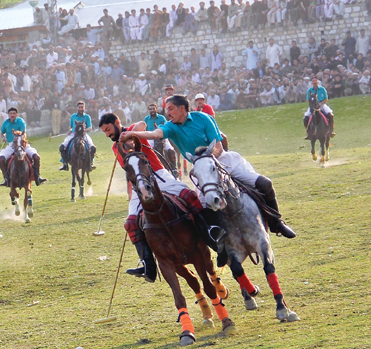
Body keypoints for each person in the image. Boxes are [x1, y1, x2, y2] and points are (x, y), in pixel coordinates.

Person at [119, 94, 296, 245]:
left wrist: (209, 159)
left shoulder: (203, 118)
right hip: (201, 169)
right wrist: (133, 135)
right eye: (167, 109)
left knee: (264, 183)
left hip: (224, 160)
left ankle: (276, 223)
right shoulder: (171, 127)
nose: (168, 112)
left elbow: (218, 146)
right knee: (202, 206)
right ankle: (218, 241)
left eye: (171, 108)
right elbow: (154, 134)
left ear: (182, 108)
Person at [99, 112, 208, 282]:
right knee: (130, 224)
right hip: (139, 185)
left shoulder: (136, 133)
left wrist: (130, 135)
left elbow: (142, 123)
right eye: (104, 132)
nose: (107, 134)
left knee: (190, 196)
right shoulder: (116, 148)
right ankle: (148, 265)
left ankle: (210, 233)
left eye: (108, 129)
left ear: (117, 122)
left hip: (159, 176)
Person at [0, 107, 47, 187]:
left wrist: (20, 138)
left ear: (17, 114)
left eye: (14, 113)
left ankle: (38, 177)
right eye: (11, 114)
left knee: (36, 157)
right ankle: (6, 179)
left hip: (22, 144)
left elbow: (24, 133)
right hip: (11, 145)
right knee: (1, 159)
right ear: (8, 115)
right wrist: (3, 138)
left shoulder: (21, 122)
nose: (12, 115)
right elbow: (2, 133)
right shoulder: (6, 123)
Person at [59, 100, 96, 171]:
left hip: (84, 134)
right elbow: (70, 126)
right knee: (62, 146)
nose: (81, 108)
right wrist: (70, 130)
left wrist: (84, 131)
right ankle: (65, 163)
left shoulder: (87, 117)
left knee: (92, 147)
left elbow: (90, 127)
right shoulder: (73, 116)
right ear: (77, 108)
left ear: (84, 108)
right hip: (74, 134)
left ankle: (90, 163)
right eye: (80, 107)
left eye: (82, 107)